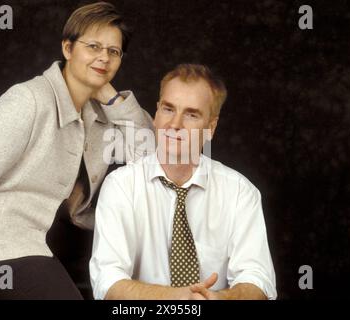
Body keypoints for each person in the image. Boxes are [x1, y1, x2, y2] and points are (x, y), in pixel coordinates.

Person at [0, 2, 152, 299]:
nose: (104, 57)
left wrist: (112, 98)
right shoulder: (27, 101)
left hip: (50, 249)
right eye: (93, 46)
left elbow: (149, 155)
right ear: (67, 48)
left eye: (113, 51)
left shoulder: (99, 116)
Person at [90, 64, 277, 300]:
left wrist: (221, 299)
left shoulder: (240, 192)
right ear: (156, 114)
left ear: (211, 128)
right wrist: (180, 299)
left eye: (191, 114)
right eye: (168, 109)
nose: (175, 124)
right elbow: (108, 282)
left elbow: (257, 279)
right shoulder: (120, 186)